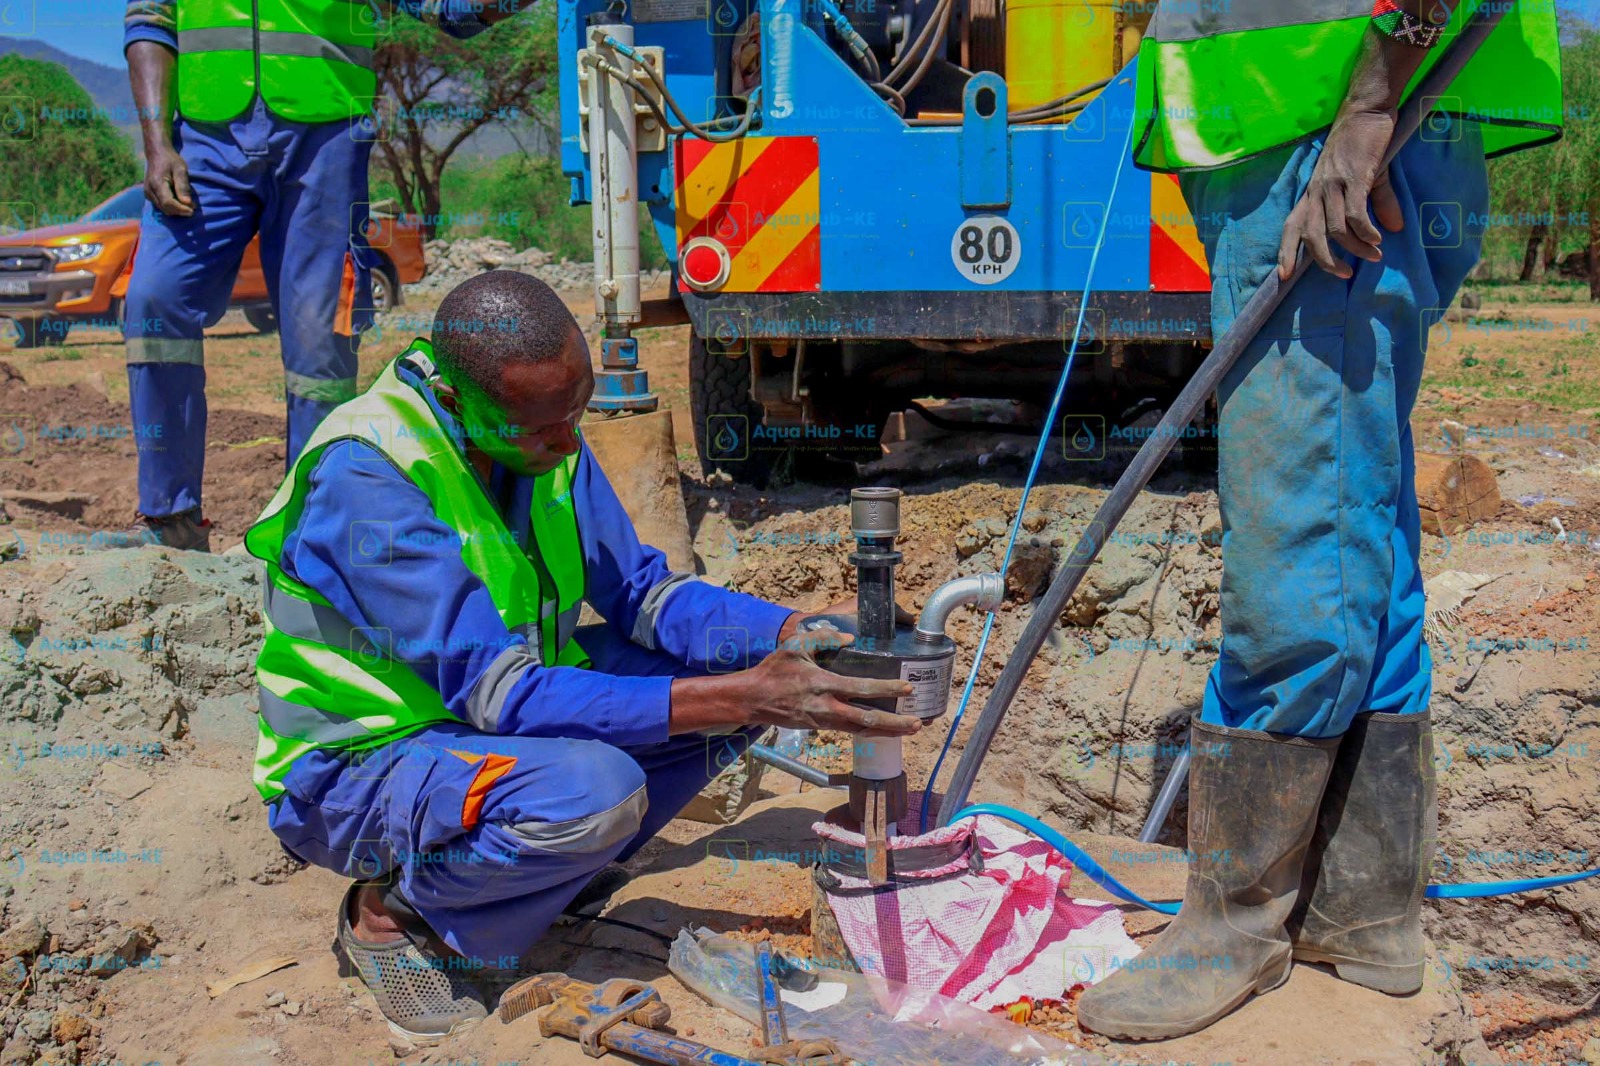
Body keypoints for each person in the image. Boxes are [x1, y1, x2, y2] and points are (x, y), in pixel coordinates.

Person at [243, 270, 918, 1044]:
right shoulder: (369, 478)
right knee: (602, 790)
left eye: (577, 412)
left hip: (480, 721)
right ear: (461, 403)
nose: (569, 443)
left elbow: (643, 596)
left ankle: (540, 868)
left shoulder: (542, 427)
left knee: (716, 682)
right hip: (358, 762)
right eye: (542, 428)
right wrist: (748, 697)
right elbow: (498, 695)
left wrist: (791, 632)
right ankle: (396, 914)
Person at [1076, 0, 1562, 1040]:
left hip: (1330, 138)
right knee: (1356, 518)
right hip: (1341, 126)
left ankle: (1235, 923)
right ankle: (1362, 909)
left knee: (1297, 533)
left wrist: (1366, 109)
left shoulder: (1353, 125)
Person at [116, 0, 528, 551]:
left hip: (325, 140)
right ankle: (171, 520)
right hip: (203, 142)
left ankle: (309, 530)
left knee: (318, 338)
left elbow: (447, 9)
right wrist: (156, 143)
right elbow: (150, 21)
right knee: (152, 299)